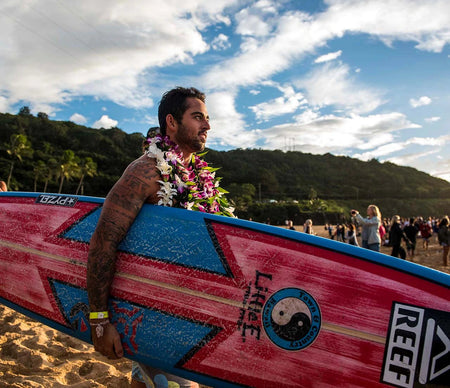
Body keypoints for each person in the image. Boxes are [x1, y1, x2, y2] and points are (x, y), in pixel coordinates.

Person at [86, 87, 234, 388]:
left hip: (192, 315)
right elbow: (104, 241)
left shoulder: (199, 179)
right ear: (171, 121)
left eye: (207, 119)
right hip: (153, 314)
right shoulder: (144, 172)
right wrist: (100, 320)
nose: (207, 126)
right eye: (197, 117)